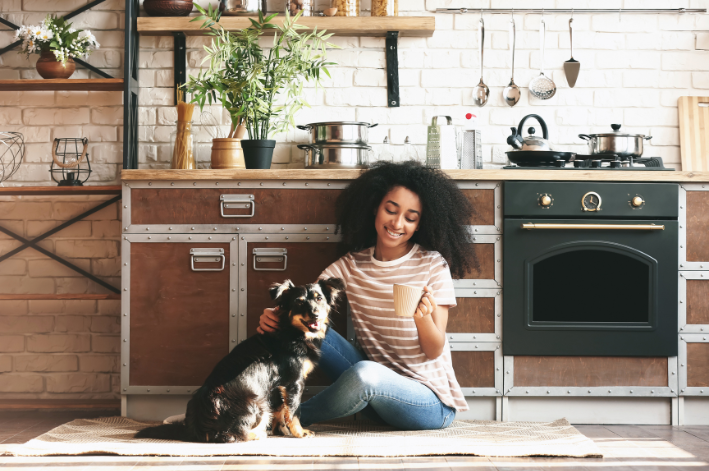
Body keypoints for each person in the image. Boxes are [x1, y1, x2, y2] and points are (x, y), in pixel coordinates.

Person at [257, 161, 478, 430]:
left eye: (410, 217)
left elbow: (434, 350)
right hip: (374, 397)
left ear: (420, 224)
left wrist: (422, 318)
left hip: (428, 404)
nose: (397, 223)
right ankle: (250, 399)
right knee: (301, 327)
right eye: (390, 210)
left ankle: (286, 416)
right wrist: (277, 316)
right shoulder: (351, 265)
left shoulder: (432, 264)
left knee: (365, 374)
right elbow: (306, 302)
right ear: (376, 207)